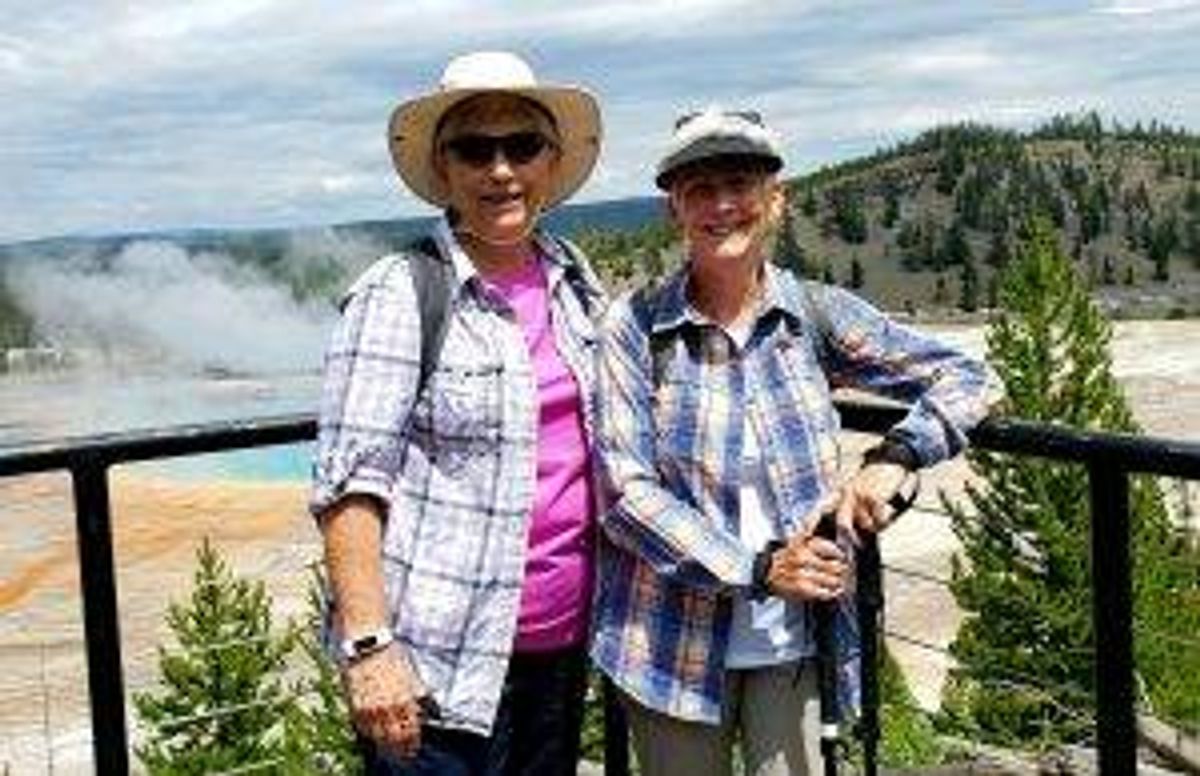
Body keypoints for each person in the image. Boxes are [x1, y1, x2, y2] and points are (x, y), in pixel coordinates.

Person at [591, 107, 989, 776]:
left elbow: (968, 376)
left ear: (776, 200)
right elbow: (626, 493)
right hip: (668, 644)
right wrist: (758, 570)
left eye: (741, 183)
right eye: (699, 189)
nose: (722, 205)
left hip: (799, 641)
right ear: (674, 209)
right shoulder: (633, 327)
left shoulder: (812, 316)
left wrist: (895, 457)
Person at [310, 51, 605, 775]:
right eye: (475, 149)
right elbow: (350, 485)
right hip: (437, 669)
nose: (500, 169)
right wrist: (370, 648)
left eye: (522, 146)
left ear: (552, 160)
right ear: (444, 170)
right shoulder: (400, 291)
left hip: (561, 655)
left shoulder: (576, 282)